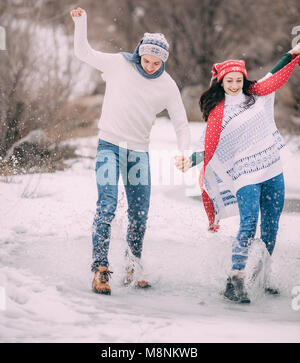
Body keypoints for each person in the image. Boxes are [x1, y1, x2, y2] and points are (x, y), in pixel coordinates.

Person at [70, 7, 190, 295]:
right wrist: (81, 22)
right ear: (139, 52)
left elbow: (181, 123)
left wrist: (184, 151)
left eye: (156, 62)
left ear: (164, 60)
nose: (149, 66)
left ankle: (133, 265)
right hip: (109, 146)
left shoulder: (167, 85)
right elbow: (83, 52)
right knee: (107, 205)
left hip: (138, 153)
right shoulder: (118, 64)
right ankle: (100, 269)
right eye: (146, 59)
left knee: (139, 212)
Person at [175, 44, 300, 303]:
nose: (234, 85)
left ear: (244, 79)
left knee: (272, 224)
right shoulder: (218, 113)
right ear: (221, 82)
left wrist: (293, 52)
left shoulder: (258, 95)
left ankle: (261, 276)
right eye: (229, 80)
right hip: (244, 175)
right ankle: (235, 278)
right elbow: (209, 147)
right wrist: (192, 160)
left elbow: (273, 73)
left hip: (271, 168)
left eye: (238, 80)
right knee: (249, 222)